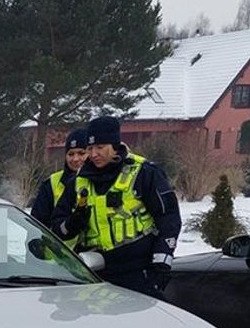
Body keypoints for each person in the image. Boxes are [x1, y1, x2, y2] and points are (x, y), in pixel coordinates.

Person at [50, 116, 180, 297]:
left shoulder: (144, 173)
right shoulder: (78, 181)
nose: (94, 154)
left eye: (100, 147)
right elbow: (56, 227)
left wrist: (161, 264)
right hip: (94, 276)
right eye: (90, 148)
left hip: (138, 273)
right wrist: (72, 224)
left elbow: (169, 218)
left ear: (115, 145)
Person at [30, 127, 88, 229]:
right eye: (70, 154)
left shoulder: (101, 179)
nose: (75, 159)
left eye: (81, 153)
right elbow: (37, 224)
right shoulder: (51, 183)